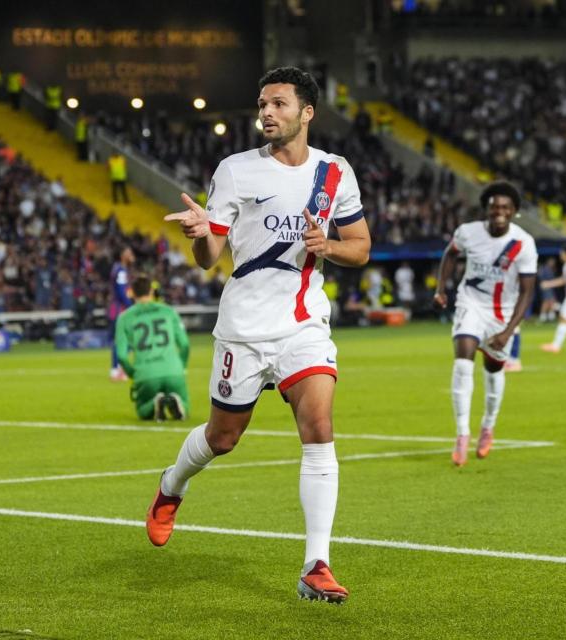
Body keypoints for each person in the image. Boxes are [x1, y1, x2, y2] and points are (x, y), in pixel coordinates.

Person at [148, 66, 371, 604]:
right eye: (262, 103)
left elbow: (360, 247)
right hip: (244, 327)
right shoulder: (235, 170)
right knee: (223, 438)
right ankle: (171, 486)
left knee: (319, 427)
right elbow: (209, 260)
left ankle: (316, 565)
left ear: (306, 112)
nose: (266, 112)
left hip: (303, 322)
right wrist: (202, 235)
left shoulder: (336, 173)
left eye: (277, 104)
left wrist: (328, 249)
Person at [433, 181, 538, 466]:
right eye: (494, 207)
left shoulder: (523, 243)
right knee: (462, 362)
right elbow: (450, 253)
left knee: (493, 372)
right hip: (471, 304)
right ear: (487, 209)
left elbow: (528, 291)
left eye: (505, 207)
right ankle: (462, 434)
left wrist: (508, 332)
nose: (499, 212)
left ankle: (487, 426)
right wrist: (442, 288)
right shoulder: (468, 232)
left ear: (514, 211)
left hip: (503, 315)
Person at [116, 275, 190, 420]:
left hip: (145, 374)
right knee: (185, 404)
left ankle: (155, 403)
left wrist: (133, 374)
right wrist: (182, 366)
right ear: (151, 291)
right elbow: (185, 344)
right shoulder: (169, 311)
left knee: (142, 410)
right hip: (173, 370)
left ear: (132, 293)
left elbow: (122, 356)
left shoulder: (124, 318)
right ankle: (178, 403)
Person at [108, 246, 135, 381]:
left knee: (121, 340)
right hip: (120, 309)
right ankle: (116, 369)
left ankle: (117, 368)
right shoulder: (121, 270)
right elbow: (121, 292)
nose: (131, 254)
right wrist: (131, 307)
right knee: (122, 339)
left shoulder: (118, 268)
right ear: (122, 255)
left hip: (117, 308)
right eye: (128, 252)